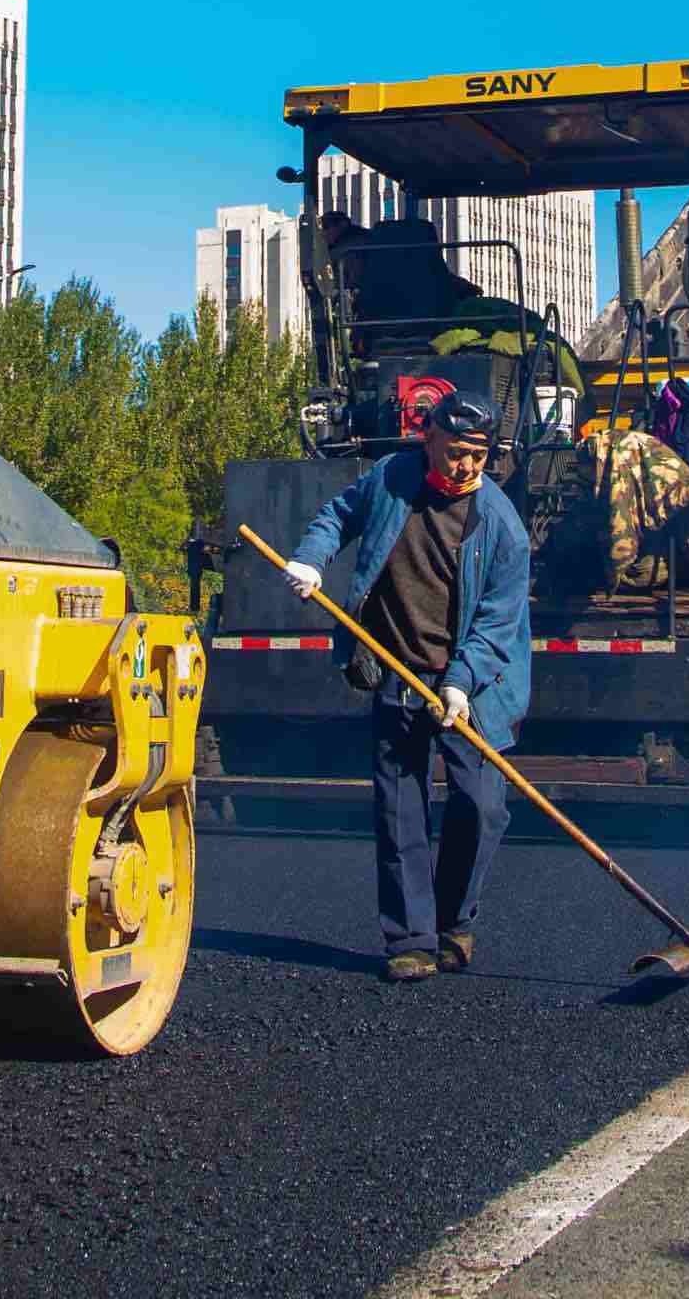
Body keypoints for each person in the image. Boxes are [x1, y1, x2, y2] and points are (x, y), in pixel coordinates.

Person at [284, 389, 532, 982]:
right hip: (396, 666)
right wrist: (313, 558)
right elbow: (336, 517)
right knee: (401, 808)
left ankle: (455, 923)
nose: (466, 464)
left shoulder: (502, 526)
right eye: (456, 450)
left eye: (479, 453)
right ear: (429, 440)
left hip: (476, 681)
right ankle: (411, 939)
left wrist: (460, 684)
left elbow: (498, 622)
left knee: (482, 804)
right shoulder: (391, 478)